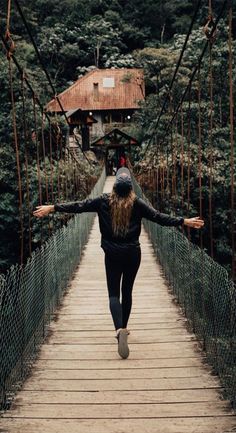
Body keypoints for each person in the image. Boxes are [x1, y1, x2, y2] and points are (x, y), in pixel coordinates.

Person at [33, 168, 204, 359]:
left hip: (112, 254)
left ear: (114, 187)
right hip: (133, 253)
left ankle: (118, 329)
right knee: (127, 291)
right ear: (131, 189)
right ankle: (124, 326)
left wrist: (53, 207)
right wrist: (184, 221)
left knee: (114, 294)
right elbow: (158, 217)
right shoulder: (138, 204)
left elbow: (79, 206)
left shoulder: (102, 201)